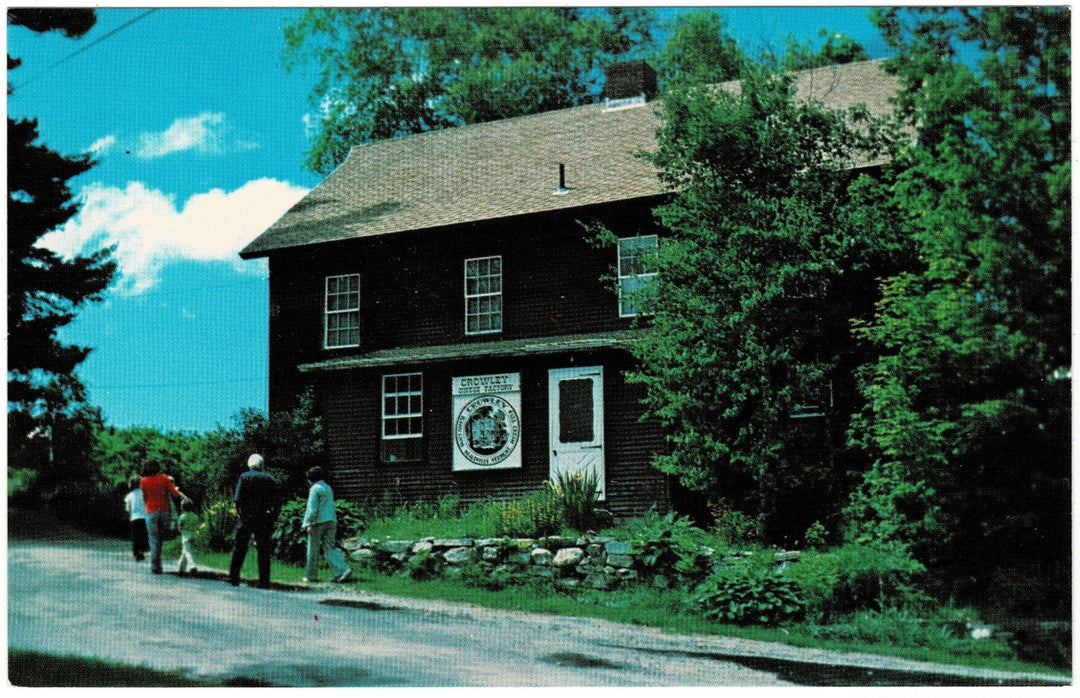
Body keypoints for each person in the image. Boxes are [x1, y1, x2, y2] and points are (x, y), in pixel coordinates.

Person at [228, 453, 279, 588]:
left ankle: (234, 577)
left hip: (247, 517)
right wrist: (274, 517)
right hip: (264, 517)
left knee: (240, 548)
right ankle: (264, 581)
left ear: (250, 465)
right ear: (262, 465)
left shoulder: (244, 477)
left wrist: (240, 514)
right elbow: (277, 501)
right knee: (263, 550)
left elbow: (237, 499)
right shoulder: (270, 479)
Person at [302, 466, 352, 584]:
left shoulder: (315, 489)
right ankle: (342, 570)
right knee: (330, 547)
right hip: (331, 520)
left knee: (312, 549)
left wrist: (308, 523)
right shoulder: (327, 487)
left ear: (310, 479)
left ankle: (311, 576)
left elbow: (312, 508)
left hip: (318, 522)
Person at [140, 459, 190, 575]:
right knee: (160, 538)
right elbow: (174, 494)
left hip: (151, 511)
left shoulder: (144, 481)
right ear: (158, 468)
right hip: (165, 512)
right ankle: (158, 563)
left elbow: (144, 497)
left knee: (154, 539)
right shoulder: (164, 478)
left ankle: (156, 567)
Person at [123, 475, 149, 561]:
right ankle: (142, 550)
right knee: (144, 534)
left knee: (135, 536)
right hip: (145, 517)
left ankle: (136, 552)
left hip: (134, 517)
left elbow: (127, 508)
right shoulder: (145, 493)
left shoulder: (130, 495)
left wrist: (129, 512)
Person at [176, 499, 200, 576]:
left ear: (182, 508)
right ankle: (181, 569)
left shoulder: (182, 517)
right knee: (185, 551)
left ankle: (192, 566)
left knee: (187, 552)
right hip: (193, 535)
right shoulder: (195, 516)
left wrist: (181, 531)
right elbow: (197, 526)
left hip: (186, 536)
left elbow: (179, 528)